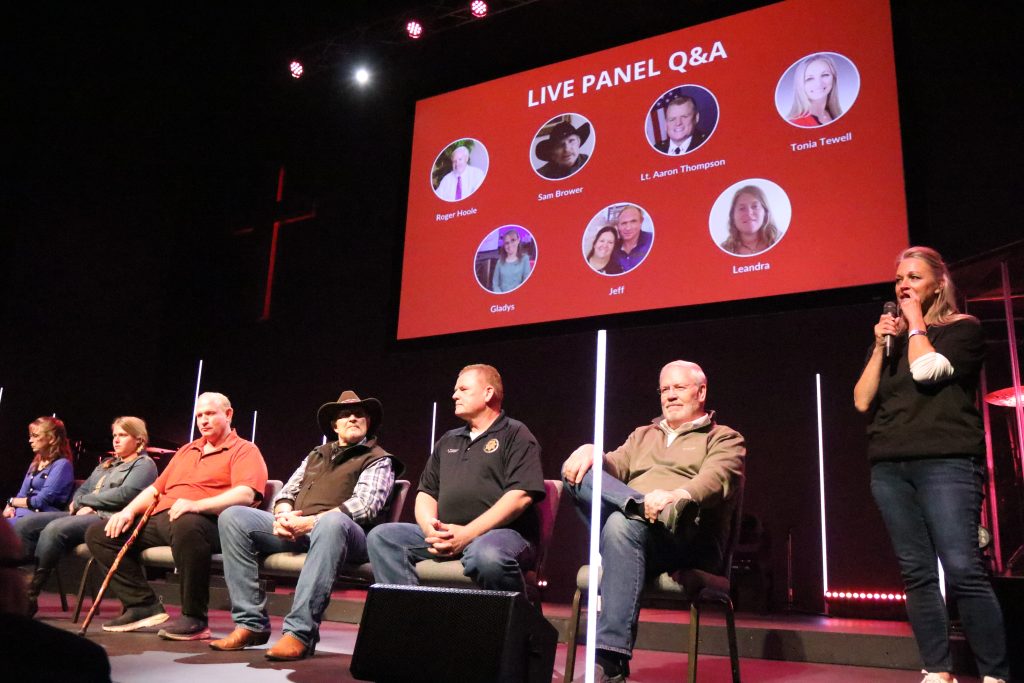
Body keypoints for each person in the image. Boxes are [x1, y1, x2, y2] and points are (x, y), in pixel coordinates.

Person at [853, 247, 1008, 683]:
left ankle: (994, 674)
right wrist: (882, 345)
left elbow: (926, 372)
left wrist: (916, 323)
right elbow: (862, 399)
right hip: (890, 467)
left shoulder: (963, 329)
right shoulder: (891, 341)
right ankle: (936, 670)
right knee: (917, 573)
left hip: (946, 461)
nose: (904, 285)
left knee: (961, 567)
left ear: (939, 284)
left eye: (914, 277)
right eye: (899, 278)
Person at [561, 360, 745, 683]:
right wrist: (593, 452)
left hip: (687, 536)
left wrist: (677, 495)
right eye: (665, 389)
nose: (670, 396)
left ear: (701, 392)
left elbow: (716, 479)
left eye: (679, 388)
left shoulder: (724, 438)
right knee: (578, 476)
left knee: (620, 525)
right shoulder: (642, 435)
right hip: (637, 530)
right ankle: (637, 505)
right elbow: (613, 466)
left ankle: (610, 661)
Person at [210, 390, 403, 661]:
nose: (352, 418)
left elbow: (365, 506)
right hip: (299, 528)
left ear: (368, 423)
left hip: (347, 535)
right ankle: (250, 624)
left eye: (359, 414)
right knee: (234, 517)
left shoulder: (378, 458)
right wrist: (283, 516)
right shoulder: (316, 454)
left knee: (333, 522)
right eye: (345, 414)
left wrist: (310, 522)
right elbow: (286, 491)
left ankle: (300, 632)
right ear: (334, 426)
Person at [85, 391, 268, 641]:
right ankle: (142, 605)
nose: (203, 420)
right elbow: (155, 490)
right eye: (199, 416)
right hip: (164, 518)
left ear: (228, 415)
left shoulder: (244, 450)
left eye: (210, 414)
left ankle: (195, 617)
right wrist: (127, 511)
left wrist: (198, 505)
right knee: (100, 533)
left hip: (211, 523)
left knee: (187, 525)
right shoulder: (187, 451)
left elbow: (245, 494)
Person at [367, 364, 545, 593]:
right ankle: (412, 622)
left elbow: (520, 497)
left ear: (488, 393)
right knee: (383, 537)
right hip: (449, 533)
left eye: (463, 389)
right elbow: (427, 492)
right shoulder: (448, 440)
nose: (454, 395)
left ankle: (513, 626)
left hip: (503, 536)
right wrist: (431, 529)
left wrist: (468, 534)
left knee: (488, 555)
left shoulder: (516, 434)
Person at [18, 416, 157, 617]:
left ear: (139, 439)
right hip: (83, 513)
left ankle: (30, 593)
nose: (116, 440)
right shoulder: (107, 464)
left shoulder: (144, 465)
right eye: (115, 435)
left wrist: (88, 502)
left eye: (123, 435)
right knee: (26, 524)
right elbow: (82, 490)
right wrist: (83, 501)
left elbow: (125, 494)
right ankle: (15, 583)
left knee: (55, 529)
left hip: (109, 519)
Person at [0, 518, 112, 682]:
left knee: (52, 529)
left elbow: (49, 495)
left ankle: (34, 589)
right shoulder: (78, 660)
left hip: (107, 514)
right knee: (23, 524)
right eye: (19, 566)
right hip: (80, 509)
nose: (20, 578)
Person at [5, 417, 75, 533]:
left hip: (40, 517)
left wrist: (11, 501)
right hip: (22, 514)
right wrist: (10, 508)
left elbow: (41, 501)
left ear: (51, 439)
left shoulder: (62, 465)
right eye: (30, 436)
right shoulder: (35, 463)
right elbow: (21, 494)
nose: (30, 440)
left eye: (35, 436)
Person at [718, 185, 779, 256]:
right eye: (742, 208)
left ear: (765, 212)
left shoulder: (781, 241)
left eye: (755, 206)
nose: (749, 213)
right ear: (732, 215)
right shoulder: (722, 250)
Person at [787, 53, 843, 127]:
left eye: (825, 75)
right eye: (809, 79)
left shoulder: (836, 114)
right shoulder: (796, 124)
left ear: (834, 78)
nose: (819, 84)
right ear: (800, 84)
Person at [490, 227, 532, 293]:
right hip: (502, 299)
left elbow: (526, 282)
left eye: (513, 240)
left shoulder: (525, 259)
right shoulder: (499, 262)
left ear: (518, 240)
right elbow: (495, 284)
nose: (510, 245)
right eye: (507, 243)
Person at [612, 205, 652, 273]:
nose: (628, 228)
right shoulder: (612, 248)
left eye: (633, 221)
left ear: (641, 222)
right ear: (618, 226)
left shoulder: (652, 241)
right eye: (624, 223)